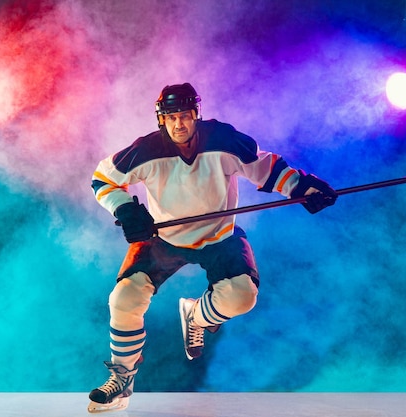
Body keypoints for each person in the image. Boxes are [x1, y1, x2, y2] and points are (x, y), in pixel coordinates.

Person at [87, 83, 337, 412]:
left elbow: (266, 167)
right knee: (123, 299)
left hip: (220, 237)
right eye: (172, 117)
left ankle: (198, 317)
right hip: (165, 240)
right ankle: (122, 381)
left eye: (186, 116)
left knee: (242, 297)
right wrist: (125, 208)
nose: (179, 124)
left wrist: (302, 186)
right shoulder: (145, 150)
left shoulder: (222, 139)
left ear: (196, 115)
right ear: (162, 119)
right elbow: (102, 179)